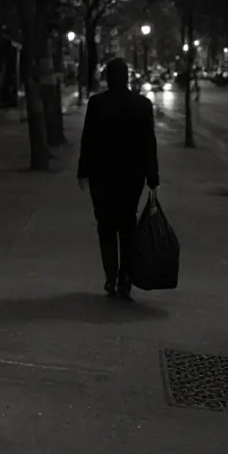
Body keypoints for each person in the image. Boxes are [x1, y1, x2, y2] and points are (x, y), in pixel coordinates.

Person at [77, 58, 160, 301]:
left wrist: (83, 171)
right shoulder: (142, 106)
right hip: (131, 177)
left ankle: (111, 276)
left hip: (102, 176)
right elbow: (149, 144)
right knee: (127, 226)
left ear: (107, 78)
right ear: (127, 78)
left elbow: (88, 140)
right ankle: (125, 277)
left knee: (105, 226)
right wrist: (152, 176)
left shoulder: (97, 104)